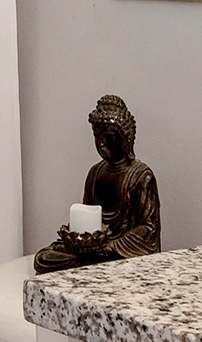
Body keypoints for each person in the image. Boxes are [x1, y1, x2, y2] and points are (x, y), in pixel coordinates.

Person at [33, 94, 162, 271]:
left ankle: (94, 267)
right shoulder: (95, 173)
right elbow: (87, 215)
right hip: (95, 249)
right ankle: (91, 266)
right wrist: (79, 240)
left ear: (126, 139)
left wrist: (112, 246)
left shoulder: (141, 177)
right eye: (97, 136)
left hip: (119, 252)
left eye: (109, 137)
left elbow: (150, 229)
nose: (101, 144)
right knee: (44, 258)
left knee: (122, 266)